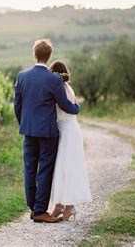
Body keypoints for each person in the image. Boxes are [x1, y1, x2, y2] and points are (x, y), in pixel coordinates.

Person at [14, 39, 80, 223]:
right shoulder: (54, 79)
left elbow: (17, 106)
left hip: (28, 130)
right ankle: (41, 211)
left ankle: (33, 208)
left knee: (30, 169)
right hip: (48, 132)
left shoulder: (22, 76)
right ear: (49, 56)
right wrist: (78, 108)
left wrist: (25, 123)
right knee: (45, 169)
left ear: (34, 54)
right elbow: (66, 105)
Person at [49, 60, 92, 221]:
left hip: (69, 131)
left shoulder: (62, 88)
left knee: (69, 167)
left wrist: (77, 108)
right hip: (64, 130)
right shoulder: (64, 87)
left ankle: (69, 206)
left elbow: (68, 107)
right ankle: (60, 205)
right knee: (61, 168)